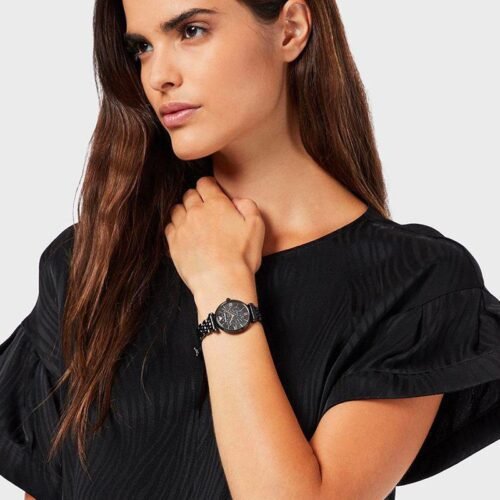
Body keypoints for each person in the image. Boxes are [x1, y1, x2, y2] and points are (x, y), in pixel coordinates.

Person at [1, 0, 500, 498]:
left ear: (290, 29)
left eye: (191, 31)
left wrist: (221, 285)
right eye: (143, 48)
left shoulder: (414, 285)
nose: (158, 76)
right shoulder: (93, 264)